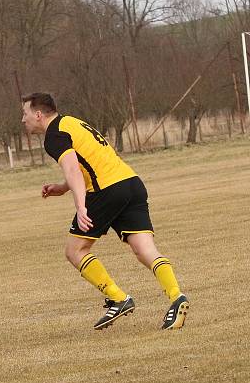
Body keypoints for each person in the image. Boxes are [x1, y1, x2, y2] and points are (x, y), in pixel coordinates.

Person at [21, 92, 189, 330]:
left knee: (75, 250)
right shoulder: (72, 122)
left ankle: (118, 298)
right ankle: (176, 297)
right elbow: (91, 160)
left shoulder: (53, 136)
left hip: (106, 190)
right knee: (145, 250)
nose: (23, 119)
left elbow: (73, 169)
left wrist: (81, 206)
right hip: (131, 183)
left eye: (25, 113)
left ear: (38, 115)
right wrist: (62, 188)